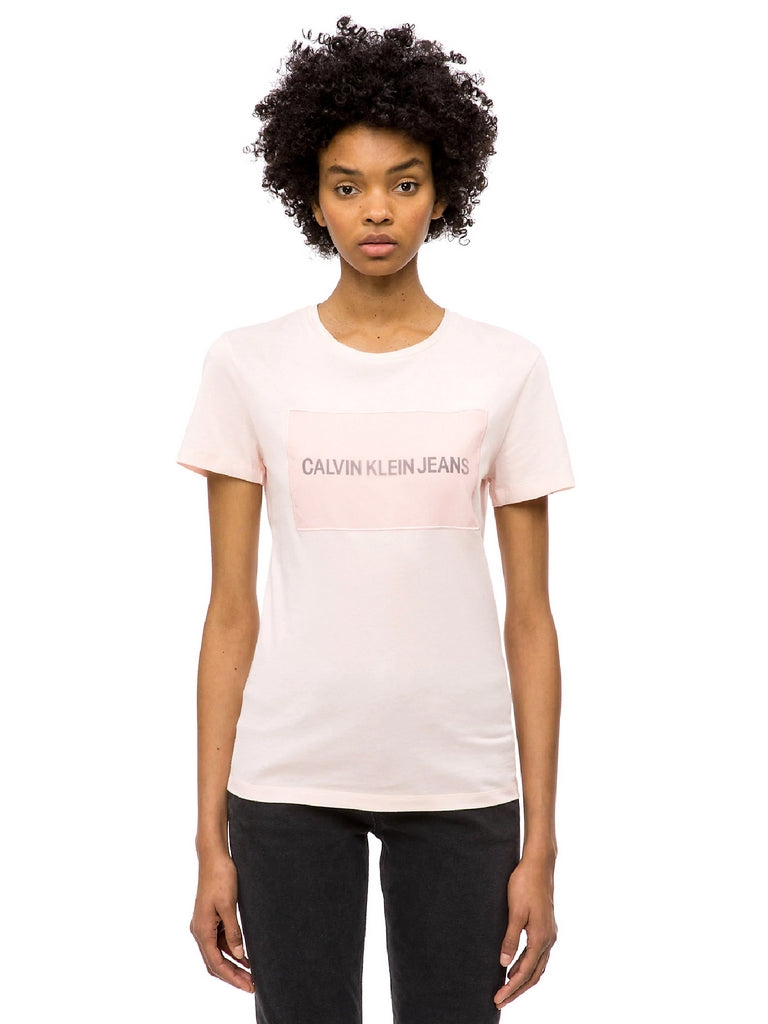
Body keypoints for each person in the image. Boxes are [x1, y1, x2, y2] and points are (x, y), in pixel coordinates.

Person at [176, 16, 575, 1023]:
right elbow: (230, 611)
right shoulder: (246, 365)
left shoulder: (507, 368)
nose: (377, 210)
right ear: (310, 199)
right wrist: (208, 837)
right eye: (346, 186)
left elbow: (531, 617)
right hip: (287, 778)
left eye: (404, 181)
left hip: (460, 780)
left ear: (443, 191)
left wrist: (542, 843)